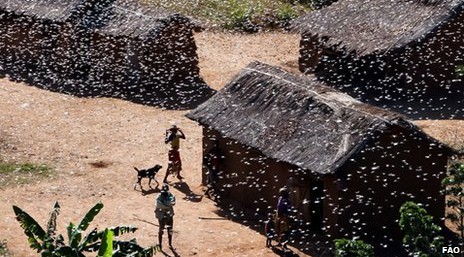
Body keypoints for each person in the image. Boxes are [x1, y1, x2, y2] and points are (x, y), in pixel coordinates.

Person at [155, 184, 176, 249]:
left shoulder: (170, 195)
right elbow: (159, 205)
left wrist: (165, 203)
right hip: (161, 216)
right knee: (161, 230)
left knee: (170, 230)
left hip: (169, 216)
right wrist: (168, 204)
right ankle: (160, 244)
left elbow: (173, 202)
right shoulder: (159, 196)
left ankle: (170, 244)